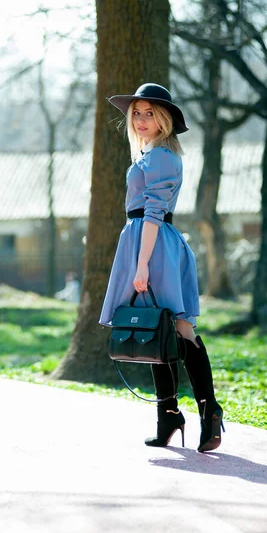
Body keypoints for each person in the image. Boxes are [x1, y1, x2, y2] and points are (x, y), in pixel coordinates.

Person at [99, 83, 224, 453]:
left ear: (164, 118)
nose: (140, 119)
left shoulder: (164, 157)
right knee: (160, 332)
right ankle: (170, 414)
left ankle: (207, 409)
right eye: (136, 112)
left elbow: (153, 212)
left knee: (179, 329)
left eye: (148, 113)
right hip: (146, 243)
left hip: (154, 247)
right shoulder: (148, 155)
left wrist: (141, 264)